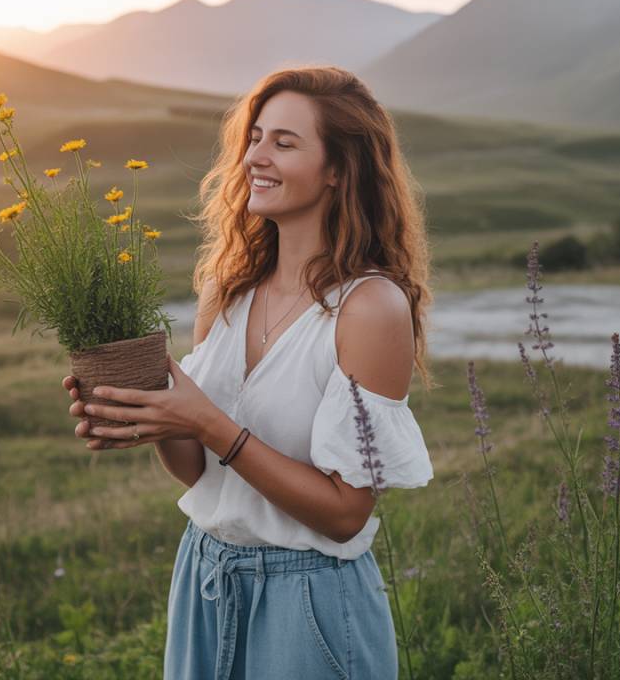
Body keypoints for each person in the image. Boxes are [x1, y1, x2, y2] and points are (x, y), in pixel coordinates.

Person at [62, 65, 435, 679]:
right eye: (255, 137)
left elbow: (347, 513)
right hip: (205, 580)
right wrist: (151, 414)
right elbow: (195, 469)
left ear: (340, 170)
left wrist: (210, 424)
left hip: (309, 601)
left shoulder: (369, 308)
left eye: (284, 143)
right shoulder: (225, 292)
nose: (255, 156)